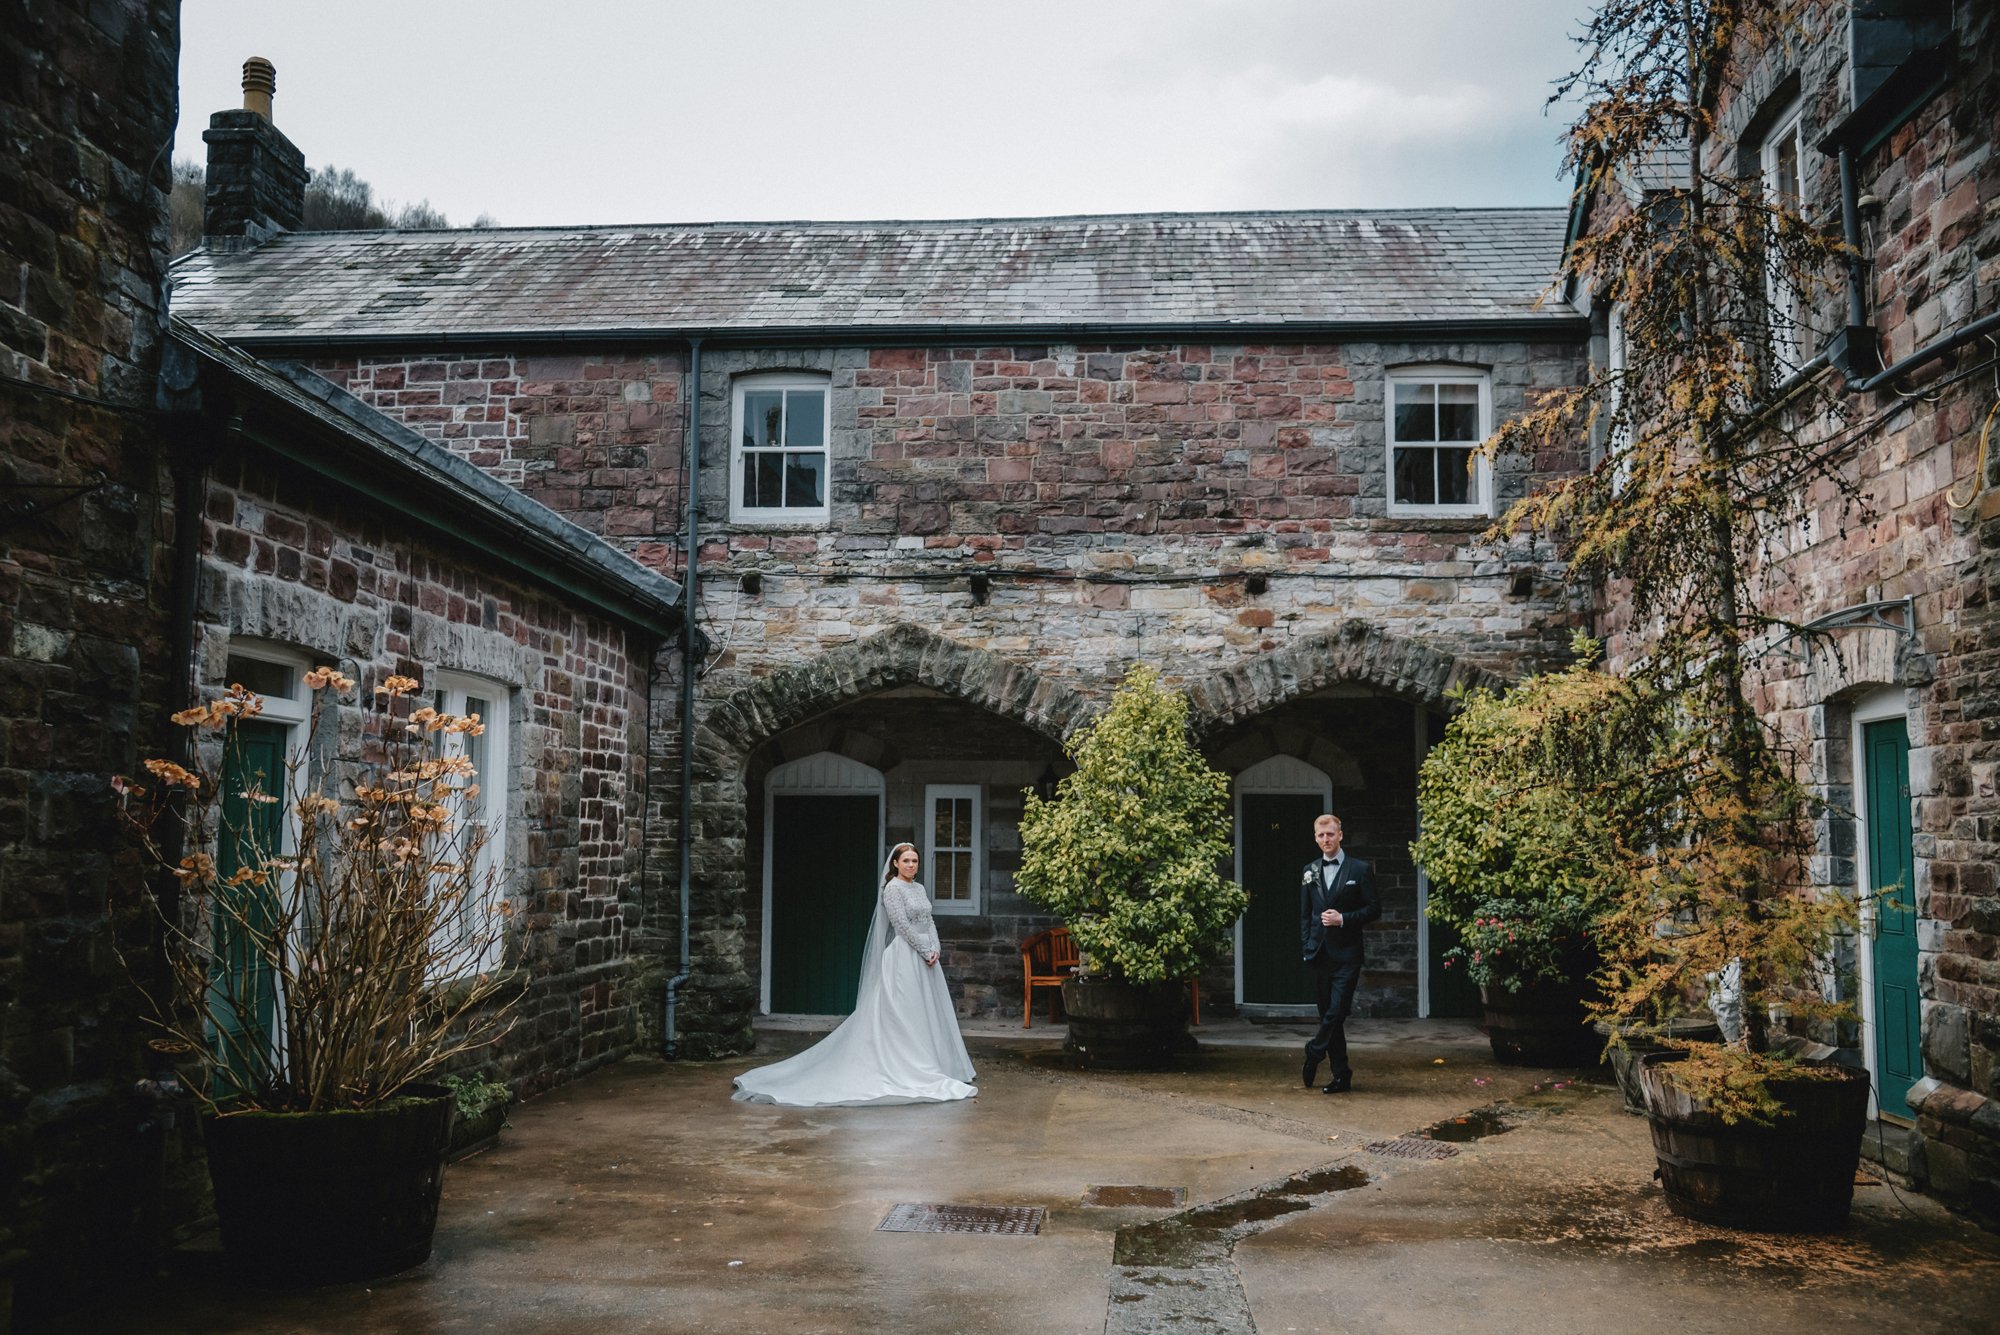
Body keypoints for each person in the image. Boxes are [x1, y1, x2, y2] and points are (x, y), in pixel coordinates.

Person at [732, 842, 977, 1107]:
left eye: (914, 861)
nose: (910, 865)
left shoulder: (919, 888)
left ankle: (932, 1062)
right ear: (895, 863)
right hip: (906, 955)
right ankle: (907, 1063)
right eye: (905, 861)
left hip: (927, 958)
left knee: (927, 1011)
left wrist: (935, 949)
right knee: (904, 1009)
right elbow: (901, 926)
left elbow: (928, 921)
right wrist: (923, 949)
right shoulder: (892, 889)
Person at [1299, 814, 1379, 1094]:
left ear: (1340, 835)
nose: (1326, 840)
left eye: (1330, 834)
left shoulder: (1360, 869)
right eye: (1321, 836)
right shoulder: (1309, 870)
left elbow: (1373, 909)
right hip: (1319, 954)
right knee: (1328, 1017)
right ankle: (1341, 1075)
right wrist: (1308, 945)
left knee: (1336, 1012)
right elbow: (1306, 914)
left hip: (1347, 954)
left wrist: (1343, 918)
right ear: (1315, 838)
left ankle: (1314, 1051)